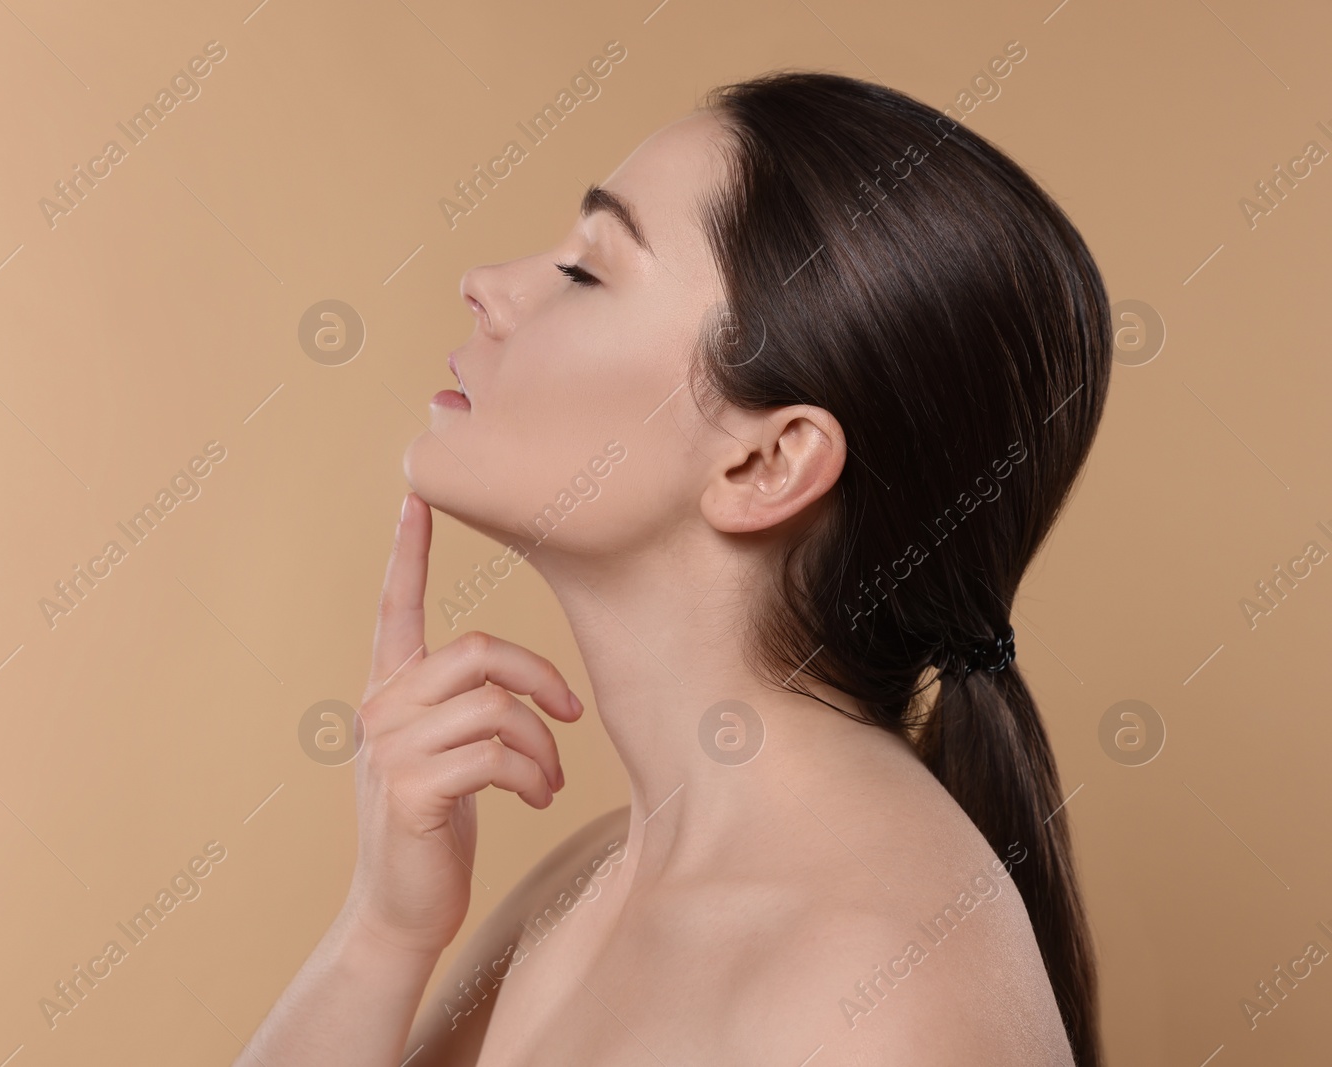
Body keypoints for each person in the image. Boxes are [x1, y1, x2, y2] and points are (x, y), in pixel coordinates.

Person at [238, 70, 1108, 1066]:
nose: (487, 284)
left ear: (765, 460)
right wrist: (380, 936)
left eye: (587, 272)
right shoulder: (586, 882)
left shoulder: (878, 993)